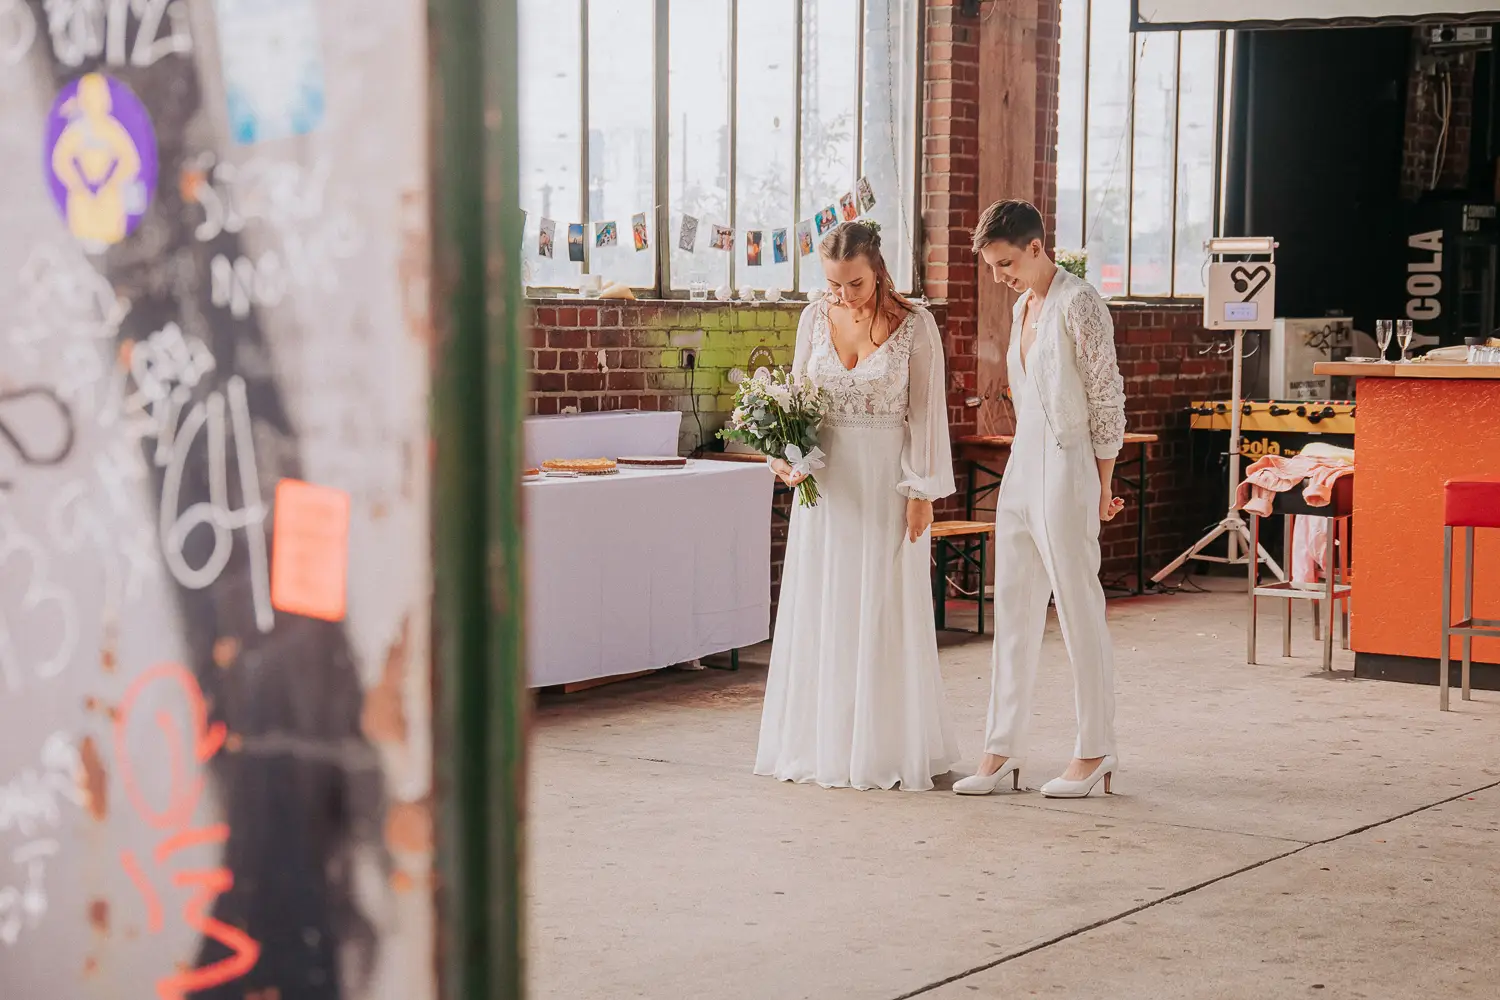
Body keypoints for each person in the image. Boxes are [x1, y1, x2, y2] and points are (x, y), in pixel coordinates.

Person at [755, 221, 960, 791]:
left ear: (879, 271)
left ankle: (883, 746)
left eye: (856, 284)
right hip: (825, 489)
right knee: (826, 605)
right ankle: (823, 743)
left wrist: (921, 492)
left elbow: (926, 415)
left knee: (883, 606)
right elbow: (796, 400)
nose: (844, 296)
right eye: (834, 284)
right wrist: (783, 456)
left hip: (886, 484)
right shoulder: (812, 318)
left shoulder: (916, 324)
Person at [954, 200, 1127, 800]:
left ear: (1035, 247)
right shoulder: (1022, 305)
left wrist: (1104, 482)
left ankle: (1095, 748)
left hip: (1069, 464)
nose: (999, 276)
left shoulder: (1080, 303)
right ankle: (1000, 748)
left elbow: (1106, 396)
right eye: (991, 267)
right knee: (1014, 610)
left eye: (1005, 263)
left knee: (1078, 609)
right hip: (1022, 467)